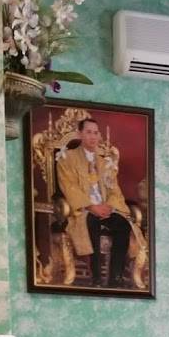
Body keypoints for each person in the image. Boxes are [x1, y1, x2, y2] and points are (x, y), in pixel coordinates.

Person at [56, 118, 135, 288]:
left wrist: (109, 206)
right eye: (88, 132)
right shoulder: (67, 158)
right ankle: (96, 277)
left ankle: (115, 277)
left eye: (96, 133)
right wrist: (92, 207)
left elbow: (114, 189)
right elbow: (69, 187)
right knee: (91, 223)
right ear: (80, 134)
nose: (93, 136)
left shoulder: (105, 162)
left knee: (123, 225)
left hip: (105, 209)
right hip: (83, 210)